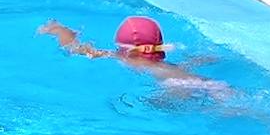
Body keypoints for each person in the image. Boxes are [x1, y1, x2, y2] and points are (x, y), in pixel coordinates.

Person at [38, 16, 232, 99]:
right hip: (199, 82)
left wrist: (59, 30)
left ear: (126, 50)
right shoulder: (165, 66)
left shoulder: (119, 58)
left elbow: (76, 49)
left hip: (178, 86)